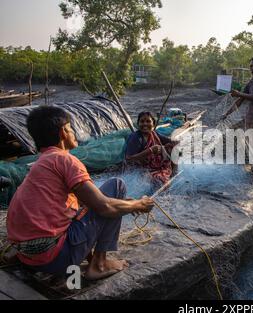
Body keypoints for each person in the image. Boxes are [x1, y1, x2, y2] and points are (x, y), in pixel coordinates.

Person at [6, 106, 154, 280]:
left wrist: (124, 205)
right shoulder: (65, 159)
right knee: (117, 186)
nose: (73, 132)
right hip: (57, 259)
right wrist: (138, 205)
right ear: (63, 132)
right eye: (70, 128)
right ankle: (99, 264)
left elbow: (83, 205)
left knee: (108, 199)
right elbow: (104, 207)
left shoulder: (41, 163)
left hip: (29, 257)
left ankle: (91, 258)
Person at [221, 56, 253, 160]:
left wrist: (239, 93)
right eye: (251, 67)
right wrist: (226, 114)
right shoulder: (250, 83)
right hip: (249, 120)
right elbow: (240, 100)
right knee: (251, 150)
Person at [124, 112, 172, 185]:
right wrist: (150, 151)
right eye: (142, 121)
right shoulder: (136, 138)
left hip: (156, 166)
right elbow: (128, 159)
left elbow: (169, 141)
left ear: (153, 123)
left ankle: (174, 173)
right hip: (140, 169)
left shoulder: (154, 133)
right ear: (138, 124)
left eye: (148, 121)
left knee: (173, 150)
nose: (145, 124)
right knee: (160, 181)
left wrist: (173, 143)